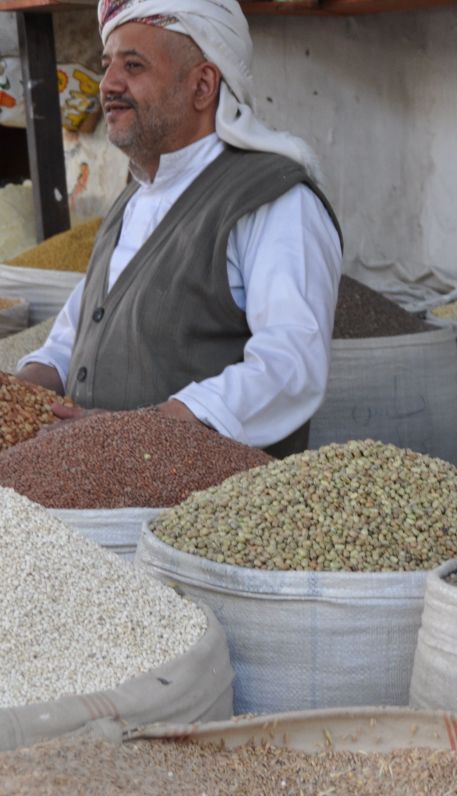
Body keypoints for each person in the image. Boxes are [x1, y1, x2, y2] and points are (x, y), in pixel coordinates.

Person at [18, 0, 342, 457]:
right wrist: (17, 393)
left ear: (202, 85)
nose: (109, 84)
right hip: (95, 488)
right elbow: (78, 332)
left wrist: (143, 431)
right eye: (107, 65)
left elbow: (289, 369)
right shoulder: (133, 199)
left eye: (134, 65)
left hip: (210, 496)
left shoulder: (274, 200)